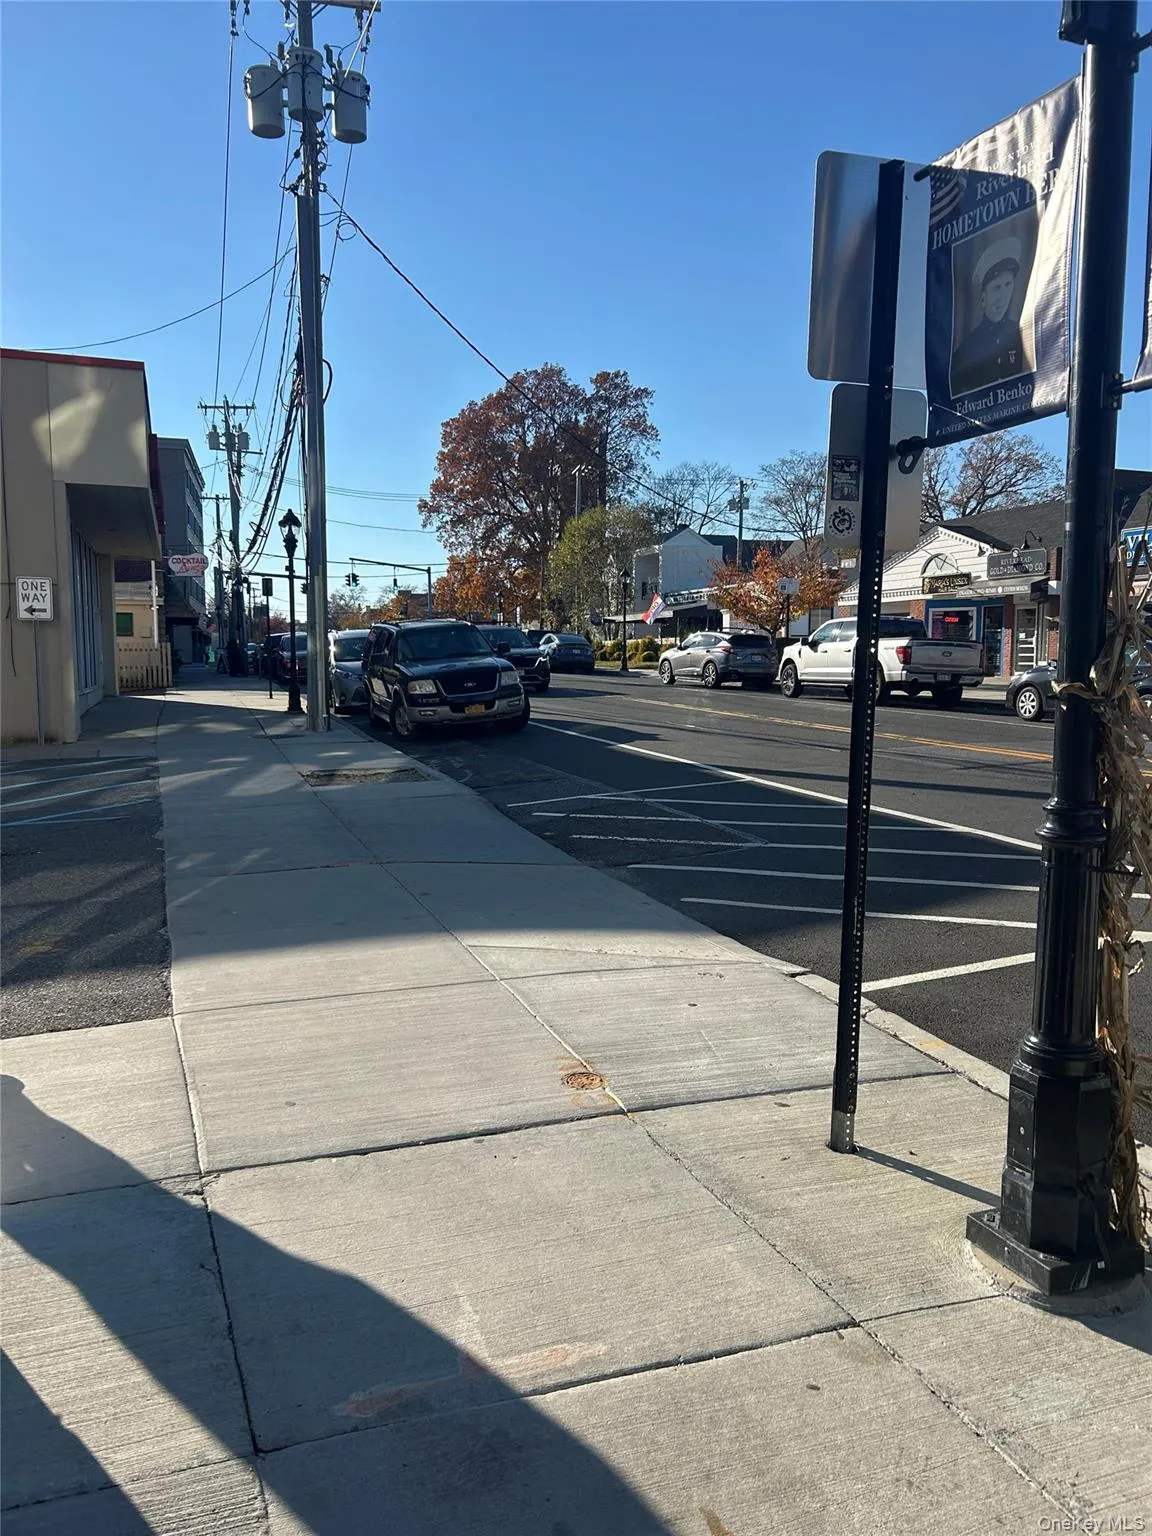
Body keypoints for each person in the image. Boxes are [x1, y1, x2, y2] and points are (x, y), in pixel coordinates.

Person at [949, 237, 1026, 397]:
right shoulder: (965, 352)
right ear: (983, 297)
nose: (1003, 296)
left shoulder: (1024, 335)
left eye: (1008, 285)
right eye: (996, 288)